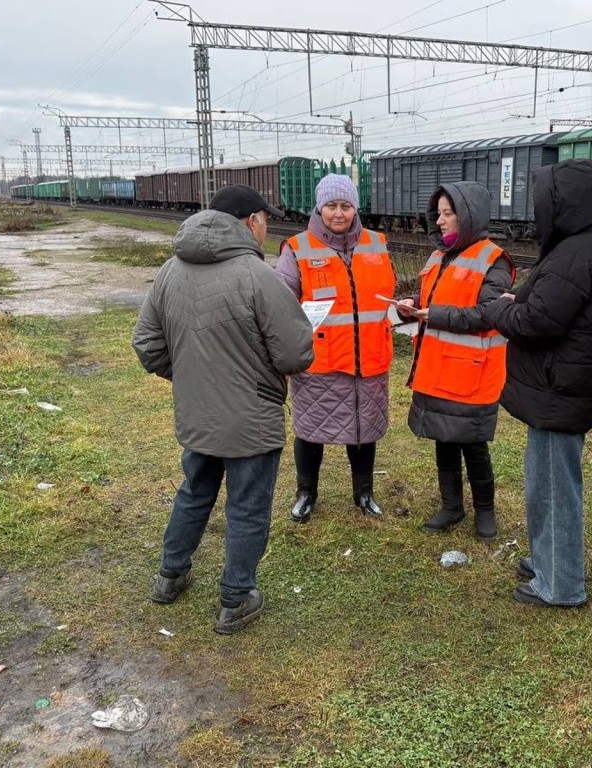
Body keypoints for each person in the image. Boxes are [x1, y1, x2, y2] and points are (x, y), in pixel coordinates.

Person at [133, 183, 313, 635]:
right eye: (265, 220)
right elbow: (296, 354)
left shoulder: (170, 270)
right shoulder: (258, 275)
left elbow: (147, 344)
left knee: (194, 491)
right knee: (247, 507)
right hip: (251, 417)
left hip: (199, 414)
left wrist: (191, 378)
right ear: (251, 221)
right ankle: (236, 598)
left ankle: (170, 576)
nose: (266, 228)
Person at [484, 158, 592, 606]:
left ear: (565, 202)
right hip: (560, 386)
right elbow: (549, 304)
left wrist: (499, 308)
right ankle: (549, 558)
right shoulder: (585, 244)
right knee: (545, 483)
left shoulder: (576, 252)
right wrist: (519, 300)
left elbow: (536, 321)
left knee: (555, 490)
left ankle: (559, 585)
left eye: (544, 198)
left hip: (560, 389)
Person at [396, 182, 514, 541]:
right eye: (439, 213)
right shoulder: (439, 255)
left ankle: (485, 512)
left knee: (473, 446)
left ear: (468, 215)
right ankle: (451, 506)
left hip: (471, 374)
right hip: (438, 369)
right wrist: (412, 305)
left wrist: (434, 314)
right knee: (443, 440)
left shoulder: (493, 259)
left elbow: (489, 313)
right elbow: (436, 297)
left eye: (449, 213)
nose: (440, 220)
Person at [275, 174, 396, 523]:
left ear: (355, 208)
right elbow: (280, 305)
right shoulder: (297, 248)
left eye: (345, 205)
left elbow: (384, 297)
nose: (339, 213)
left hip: (368, 359)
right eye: (331, 206)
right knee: (310, 431)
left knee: (364, 430)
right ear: (319, 208)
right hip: (319, 361)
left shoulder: (377, 244)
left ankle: (364, 492)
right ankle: (306, 492)